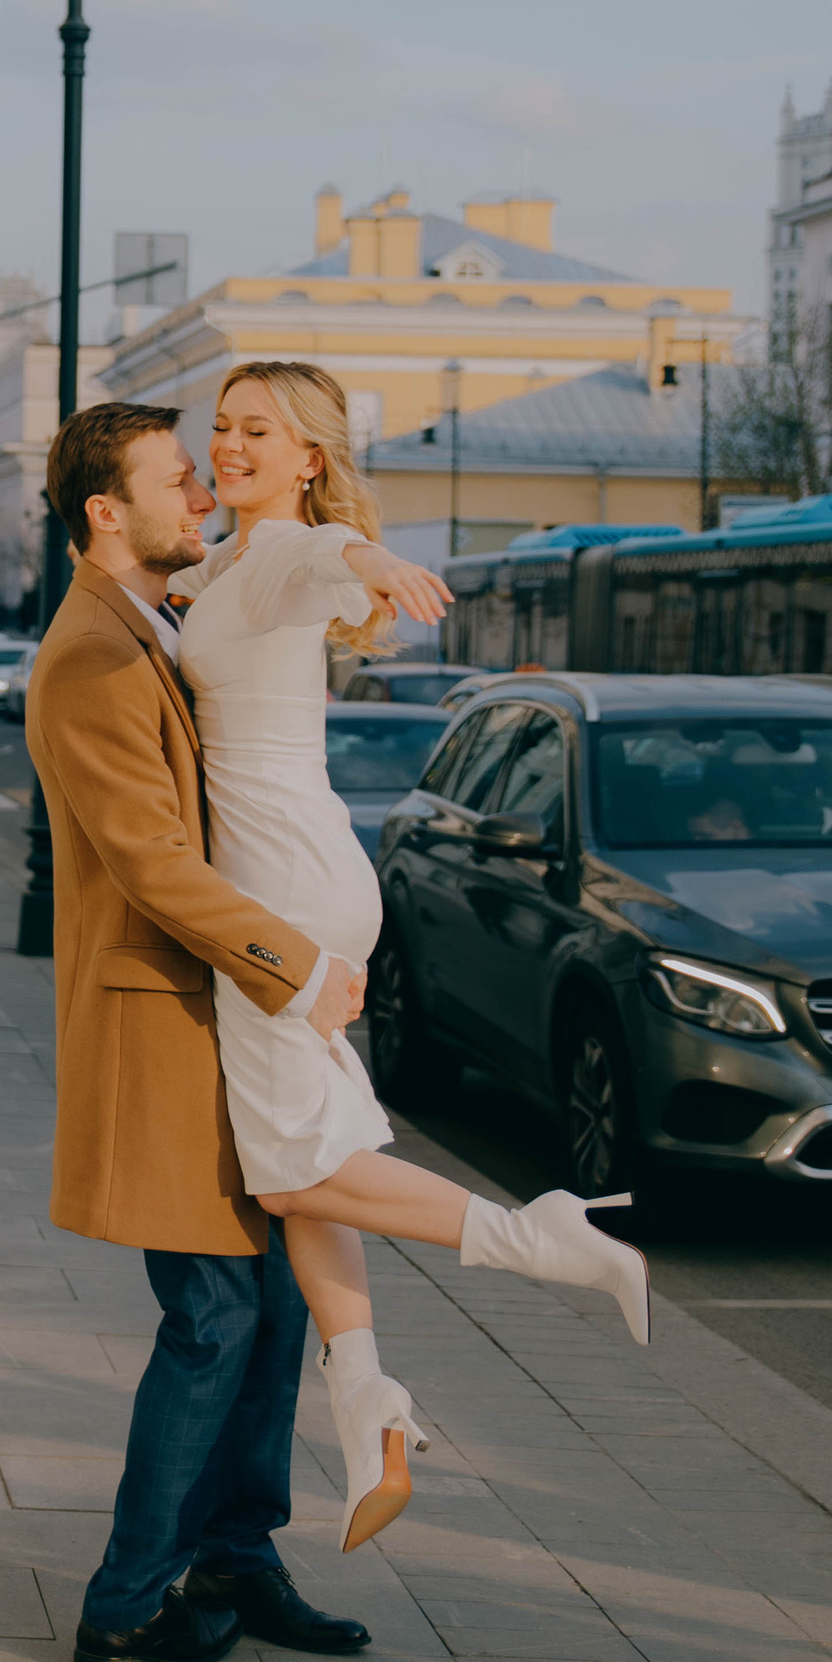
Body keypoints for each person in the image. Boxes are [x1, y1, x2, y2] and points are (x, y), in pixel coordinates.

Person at [175, 362, 648, 1555]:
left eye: (256, 431)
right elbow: (193, 574)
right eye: (220, 425)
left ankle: (536, 1237)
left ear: (308, 460)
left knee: (291, 1176)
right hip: (303, 871)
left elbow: (323, 554)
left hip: (279, 888)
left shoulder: (285, 552)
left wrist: (370, 557)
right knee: (305, 1167)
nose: (227, 445)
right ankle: (367, 1400)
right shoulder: (229, 563)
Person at [25, 403, 378, 1662]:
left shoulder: (154, 620)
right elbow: (154, 865)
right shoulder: (93, 658)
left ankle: (236, 1555)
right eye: (176, 480)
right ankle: (125, 1604)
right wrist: (298, 968)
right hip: (161, 1025)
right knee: (217, 1314)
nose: (200, 495)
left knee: (271, 1303)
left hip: (216, 1020)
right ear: (106, 512)